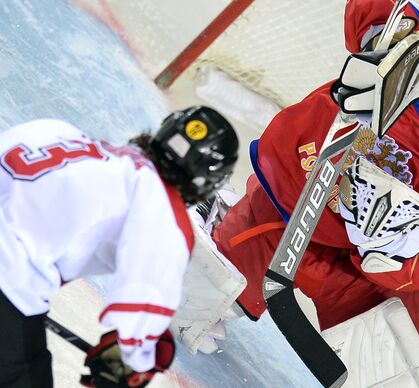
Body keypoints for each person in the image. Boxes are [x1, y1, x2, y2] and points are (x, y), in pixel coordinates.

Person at [185, 0, 419, 356]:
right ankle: (222, 220)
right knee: (216, 296)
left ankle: (231, 225)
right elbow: (385, 11)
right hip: (302, 191)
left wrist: (395, 248)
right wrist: (385, 37)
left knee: (393, 347)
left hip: (354, 254)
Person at [0, 105, 239, 388]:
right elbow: (135, 331)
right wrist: (125, 366)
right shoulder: (166, 219)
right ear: (207, 182)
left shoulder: (61, 133)